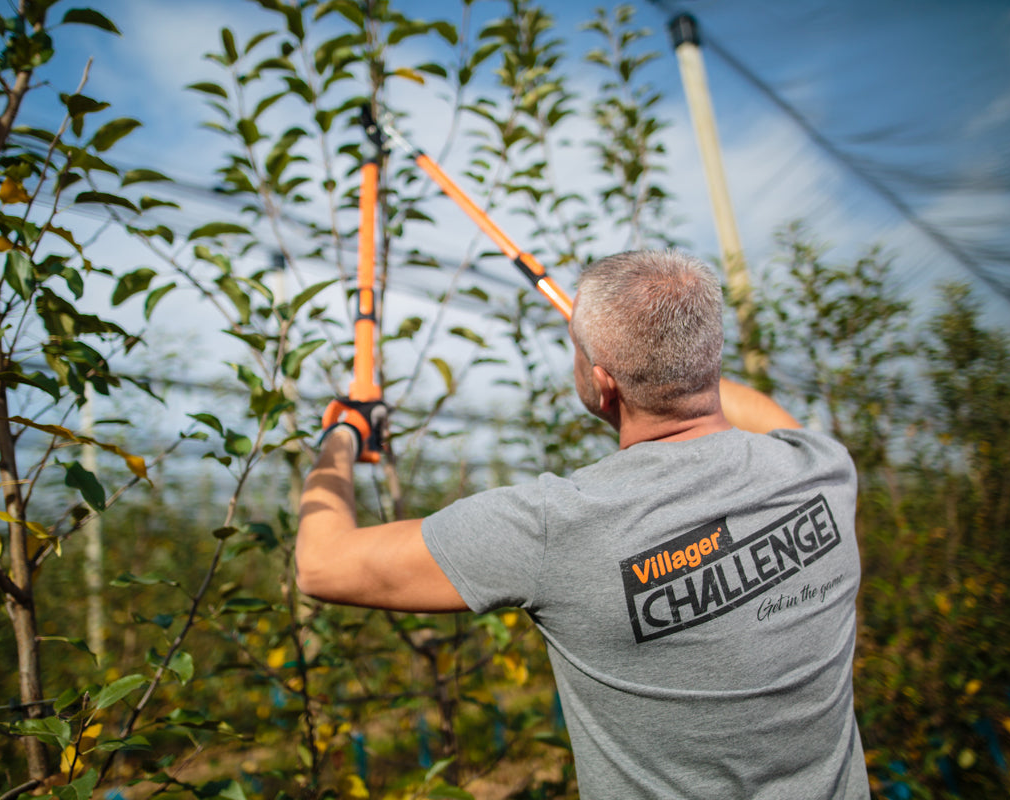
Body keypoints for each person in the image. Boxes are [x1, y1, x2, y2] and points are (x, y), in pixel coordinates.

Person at [296, 249, 870, 799]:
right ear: (711, 355)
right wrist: (650, 350)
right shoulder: (820, 468)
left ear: (600, 383)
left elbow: (322, 565)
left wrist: (342, 436)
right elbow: (738, 404)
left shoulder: (556, 527)